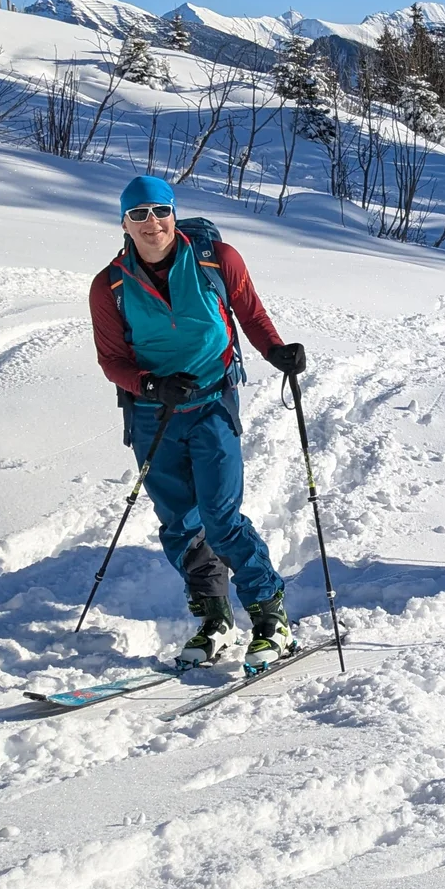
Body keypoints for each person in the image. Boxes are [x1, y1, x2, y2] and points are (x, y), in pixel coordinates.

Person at [89, 175, 308, 669]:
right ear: (124, 221)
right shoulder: (110, 286)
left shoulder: (216, 258)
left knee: (221, 517)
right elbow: (111, 360)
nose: (152, 223)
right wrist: (150, 386)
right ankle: (214, 615)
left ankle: (270, 615)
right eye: (139, 214)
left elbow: (250, 314)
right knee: (180, 522)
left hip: (211, 404)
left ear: (173, 212)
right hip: (152, 416)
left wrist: (275, 350)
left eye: (160, 211)